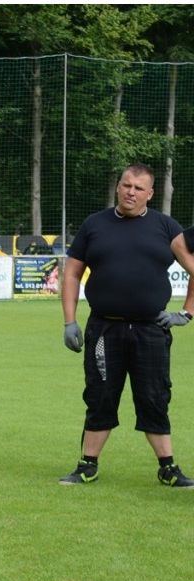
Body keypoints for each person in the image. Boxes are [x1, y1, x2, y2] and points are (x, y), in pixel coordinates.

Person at [60, 162, 194, 487]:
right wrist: (69, 321)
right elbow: (73, 273)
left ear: (150, 193)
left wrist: (186, 313)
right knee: (100, 394)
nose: (130, 192)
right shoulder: (94, 225)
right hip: (104, 329)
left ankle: (168, 468)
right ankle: (86, 465)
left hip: (151, 330)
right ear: (118, 187)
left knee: (154, 396)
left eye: (138, 188)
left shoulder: (166, 227)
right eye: (126, 185)